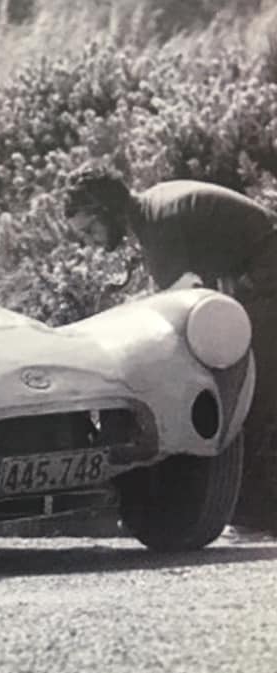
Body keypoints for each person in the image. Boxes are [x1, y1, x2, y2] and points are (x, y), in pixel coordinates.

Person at [64, 166, 277, 534]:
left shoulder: (158, 224)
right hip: (256, 269)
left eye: (90, 230)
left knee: (246, 397)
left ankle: (252, 517)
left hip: (265, 272)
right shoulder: (153, 212)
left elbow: (173, 305)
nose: (90, 242)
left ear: (109, 210)